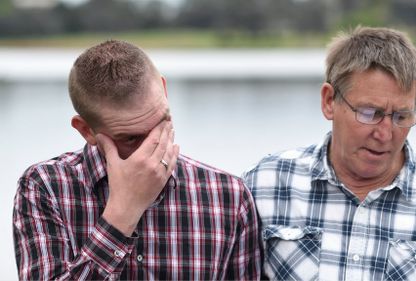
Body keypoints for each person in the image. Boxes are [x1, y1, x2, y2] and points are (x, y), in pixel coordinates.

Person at [242, 26, 416, 280]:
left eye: (401, 116)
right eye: (369, 113)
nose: (385, 133)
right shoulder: (264, 186)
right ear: (329, 101)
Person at [13, 40, 261, 280]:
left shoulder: (229, 195)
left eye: (162, 123)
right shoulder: (45, 188)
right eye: (131, 138)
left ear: (163, 90)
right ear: (86, 130)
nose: (154, 145)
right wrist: (122, 213)